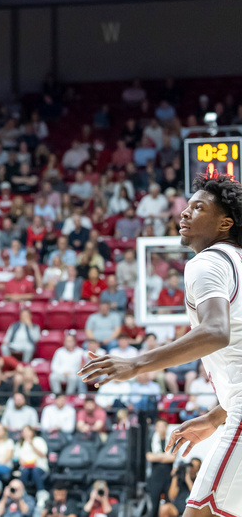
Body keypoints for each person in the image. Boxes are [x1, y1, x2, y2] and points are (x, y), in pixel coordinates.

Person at [81, 174, 242, 517]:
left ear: (225, 222)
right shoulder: (237, 263)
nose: (185, 213)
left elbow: (216, 331)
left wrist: (135, 364)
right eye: (186, 205)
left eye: (198, 207)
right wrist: (216, 417)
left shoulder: (208, 262)